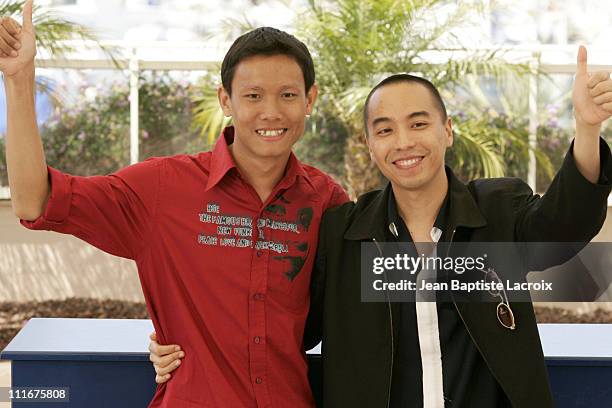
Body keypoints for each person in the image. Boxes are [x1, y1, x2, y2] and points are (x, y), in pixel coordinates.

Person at [151, 48, 612, 407]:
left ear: (447, 130)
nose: (404, 142)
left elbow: (563, 227)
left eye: (419, 123)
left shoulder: (496, 212)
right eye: (386, 129)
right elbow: (285, 323)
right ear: (369, 143)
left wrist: (587, 129)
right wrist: (182, 342)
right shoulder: (345, 234)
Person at [2, 2, 349, 407]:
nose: (271, 111)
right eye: (253, 95)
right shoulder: (162, 188)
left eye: (288, 95)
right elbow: (34, 200)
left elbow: (354, 309)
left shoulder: (326, 200)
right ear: (225, 100)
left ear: (309, 99)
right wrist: (20, 81)